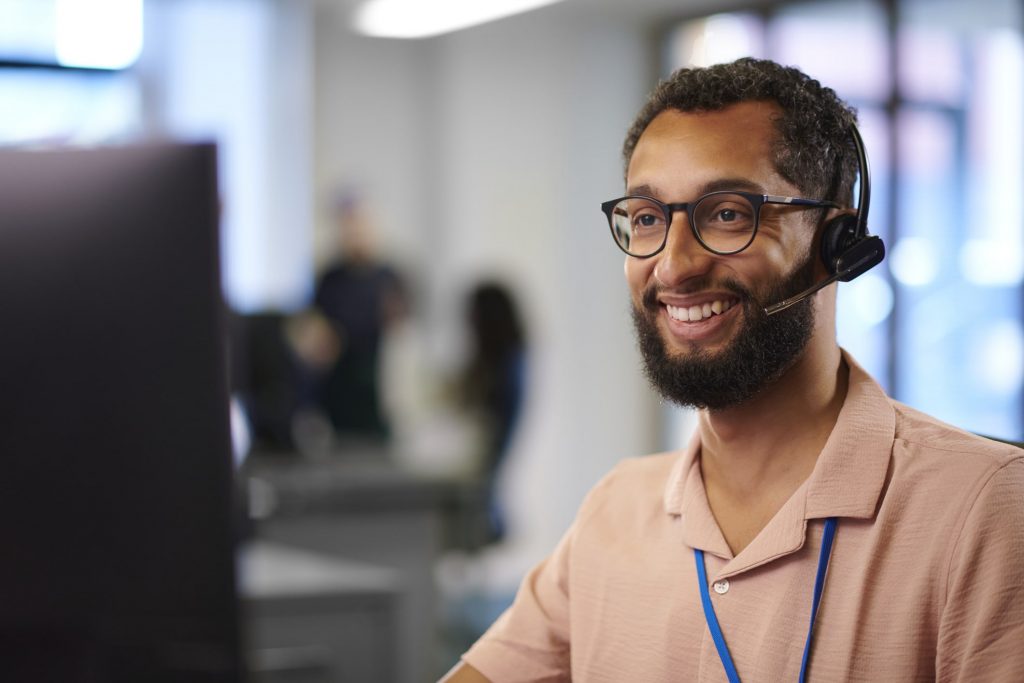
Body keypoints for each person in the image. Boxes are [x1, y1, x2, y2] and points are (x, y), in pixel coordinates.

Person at [441, 58, 1024, 682]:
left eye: (727, 214)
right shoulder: (616, 509)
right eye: (646, 218)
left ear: (836, 243)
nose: (672, 266)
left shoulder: (983, 508)